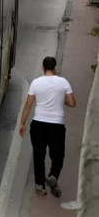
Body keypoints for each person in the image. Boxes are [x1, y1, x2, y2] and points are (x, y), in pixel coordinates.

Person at [19, 56, 75, 197]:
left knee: (39, 155)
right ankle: (53, 175)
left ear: (43, 68)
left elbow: (28, 104)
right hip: (57, 125)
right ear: (55, 68)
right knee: (58, 155)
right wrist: (61, 99)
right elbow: (72, 103)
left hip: (38, 124)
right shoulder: (63, 82)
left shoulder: (36, 83)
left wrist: (22, 123)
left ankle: (40, 186)